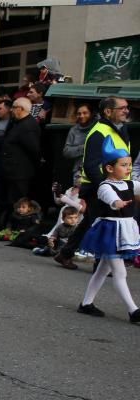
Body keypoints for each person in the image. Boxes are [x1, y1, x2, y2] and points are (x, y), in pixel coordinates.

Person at [55, 96, 132, 270]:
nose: (126, 111)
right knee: (104, 223)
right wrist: (106, 187)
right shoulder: (99, 132)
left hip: (115, 186)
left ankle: (66, 253)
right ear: (108, 111)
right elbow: (90, 165)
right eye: (122, 108)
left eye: (127, 107)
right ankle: (101, 264)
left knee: (90, 221)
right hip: (100, 187)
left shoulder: (120, 129)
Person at [76, 138, 140, 323]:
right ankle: (133, 310)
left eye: (129, 165)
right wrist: (117, 202)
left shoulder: (129, 184)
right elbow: (110, 198)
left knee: (102, 271)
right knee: (120, 273)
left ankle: (86, 304)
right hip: (110, 232)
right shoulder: (104, 186)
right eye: (124, 165)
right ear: (110, 168)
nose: (128, 168)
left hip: (124, 231)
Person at [1, 98, 41, 207]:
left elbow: (34, 150)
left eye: (13, 107)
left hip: (20, 174)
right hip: (13, 172)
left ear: (20, 109)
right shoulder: (18, 123)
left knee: (18, 203)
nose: (11, 110)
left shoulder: (28, 126)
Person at [62, 103, 96, 187]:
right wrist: (84, 148)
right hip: (79, 171)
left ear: (91, 114)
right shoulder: (73, 130)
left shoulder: (97, 128)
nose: (81, 116)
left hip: (96, 170)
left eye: (85, 113)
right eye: (79, 113)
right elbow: (66, 151)